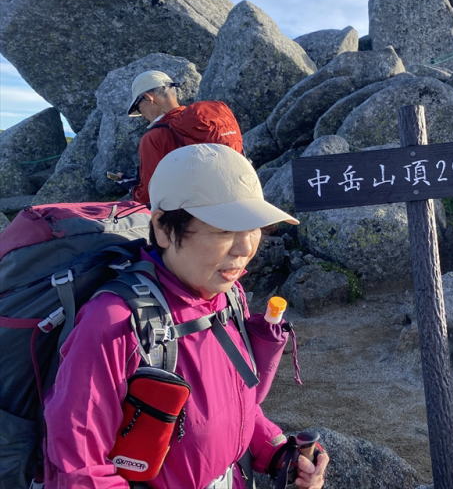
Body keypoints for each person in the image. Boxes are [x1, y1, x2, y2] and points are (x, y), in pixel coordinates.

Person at [44, 143, 328, 489]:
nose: (245, 249)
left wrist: (278, 453)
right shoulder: (114, 323)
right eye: (224, 230)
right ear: (164, 228)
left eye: (254, 228)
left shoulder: (228, 298)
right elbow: (81, 469)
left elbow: (234, 403)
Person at [124, 70, 244, 205]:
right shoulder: (214, 117)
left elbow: (149, 195)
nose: (142, 115)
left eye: (138, 108)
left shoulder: (154, 137)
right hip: (239, 197)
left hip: (196, 211)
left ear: (148, 98)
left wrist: (132, 189)